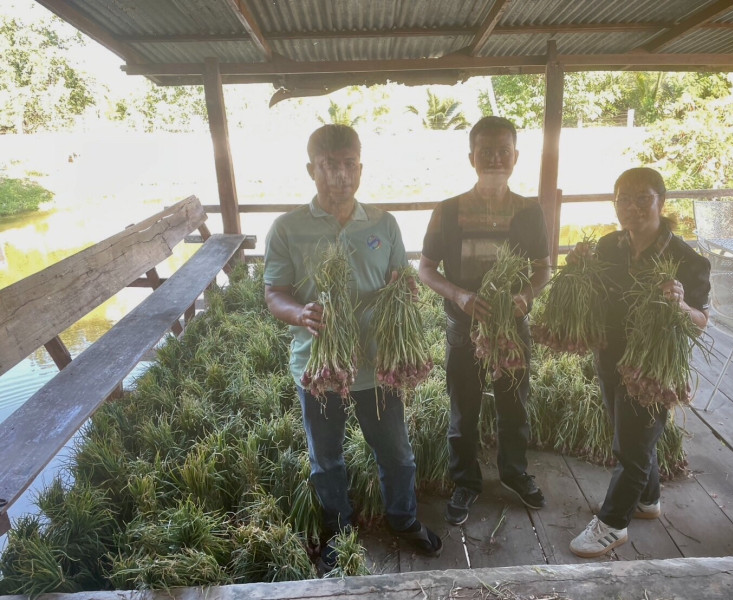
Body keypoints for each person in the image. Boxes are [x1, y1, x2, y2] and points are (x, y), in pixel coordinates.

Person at [263, 124, 442, 571]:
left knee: (397, 453)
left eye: (349, 165)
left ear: (360, 168)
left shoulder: (383, 224)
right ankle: (338, 531)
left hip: (378, 365)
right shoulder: (287, 228)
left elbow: (400, 279)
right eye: (329, 166)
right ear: (311, 169)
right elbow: (274, 293)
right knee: (326, 460)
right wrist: (300, 313)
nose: (340, 176)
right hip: (320, 366)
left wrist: (404, 295)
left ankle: (403, 519)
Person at [568, 167, 710, 558]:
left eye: (642, 198)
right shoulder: (608, 246)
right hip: (610, 353)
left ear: (662, 202)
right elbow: (594, 291)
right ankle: (647, 500)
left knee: (631, 448)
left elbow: (700, 321)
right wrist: (579, 266)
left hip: (652, 365)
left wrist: (679, 304)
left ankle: (613, 524)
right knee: (628, 433)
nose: (632, 207)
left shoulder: (687, 260)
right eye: (623, 199)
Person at [418, 116, 551, 526]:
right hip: (464, 330)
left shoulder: (529, 211)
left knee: (514, 407)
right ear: (471, 157)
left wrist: (525, 297)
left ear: (515, 157)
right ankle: (466, 482)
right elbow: (425, 269)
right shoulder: (448, 211)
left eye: (503, 151)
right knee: (464, 410)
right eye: (486, 151)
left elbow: (543, 268)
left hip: (512, 329)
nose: (495, 159)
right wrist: (459, 295)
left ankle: (514, 474)